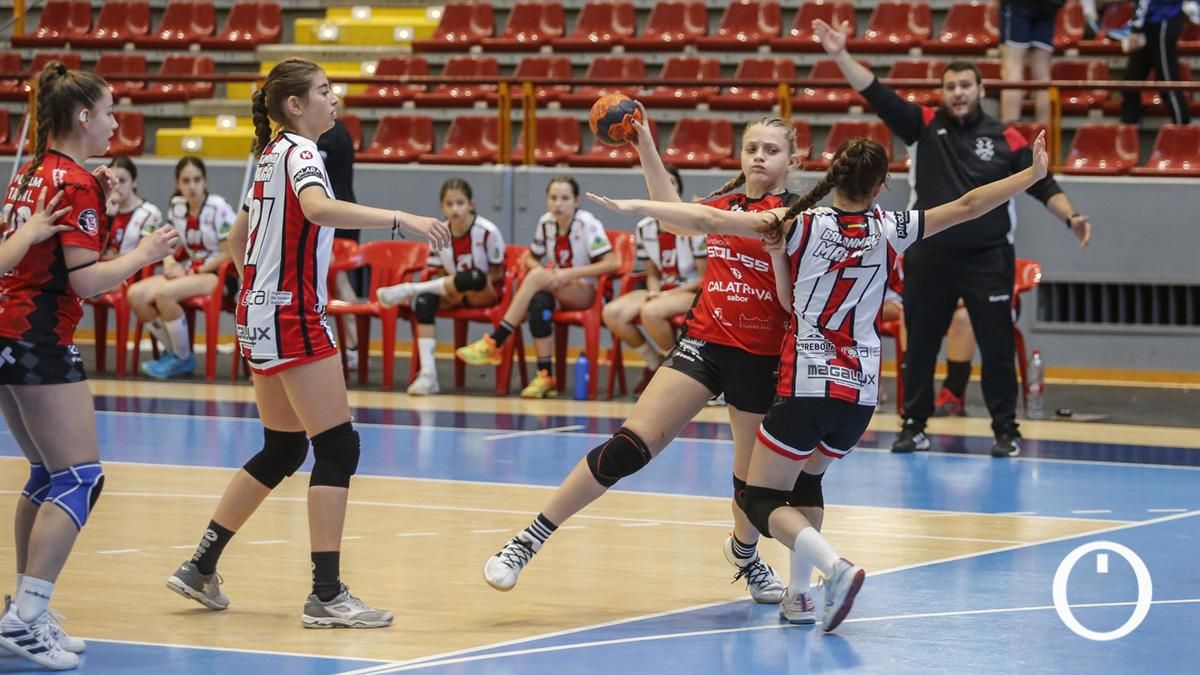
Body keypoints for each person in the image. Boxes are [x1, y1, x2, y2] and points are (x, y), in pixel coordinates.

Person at [588, 130, 1052, 630]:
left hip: (805, 386)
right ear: (881, 186)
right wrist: (1031, 175)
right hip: (859, 395)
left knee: (760, 499)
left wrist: (637, 204)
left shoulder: (799, 223)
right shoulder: (893, 226)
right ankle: (799, 597)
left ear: (833, 177)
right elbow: (968, 205)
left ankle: (834, 568)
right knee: (808, 482)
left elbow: (709, 220)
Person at [164, 58, 449, 628]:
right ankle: (326, 594)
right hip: (292, 315)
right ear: (295, 105)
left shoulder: (269, 155)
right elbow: (317, 208)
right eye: (323, 90)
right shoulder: (301, 152)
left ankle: (200, 566)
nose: (333, 97)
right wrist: (403, 219)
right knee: (338, 448)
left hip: (259, 315)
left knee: (283, 450)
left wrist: (259, 290)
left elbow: (237, 238)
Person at [479, 114, 799, 605]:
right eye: (751, 147)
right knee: (628, 446)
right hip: (705, 343)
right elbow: (674, 219)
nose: (758, 156)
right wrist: (645, 142)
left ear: (792, 160)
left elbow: (706, 222)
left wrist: (636, 206)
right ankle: (527, 540)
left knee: (749, 485)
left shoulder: (796, 213)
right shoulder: (726, 203)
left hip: (761, 358)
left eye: (771, 150)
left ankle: (745, 555)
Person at [813, 19, 1092, 457]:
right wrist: (839, 54)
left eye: (965, 85)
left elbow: (1042, 183)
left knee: (997, 348)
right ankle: (914, 425)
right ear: (941, 92)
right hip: (930, 257)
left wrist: (1070, 216)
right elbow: (876, 93)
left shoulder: (1006, 137)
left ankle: (1006, 431)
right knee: (921, 344)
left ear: (981, 90)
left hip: (989, 259)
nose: (958, 92)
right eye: (950, 86)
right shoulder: (923, 125)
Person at [0, 61, 179, 670]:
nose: (114, 124)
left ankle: (24, 609)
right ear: (82, 116)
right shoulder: (74, 182)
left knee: (46, 474)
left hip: (8, 330)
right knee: (79, 477)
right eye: (108, 112)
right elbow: (84, 280)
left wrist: (96, 195)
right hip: (38, 335)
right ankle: (27, 616)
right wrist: (145, 252)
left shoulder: (33, 172)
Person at [456, 176, 618, 399]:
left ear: (576, 201)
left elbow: (612, 263)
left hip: (586, 291)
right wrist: (545, 273)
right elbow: (529, 258)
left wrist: (568, 273)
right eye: (553, 198)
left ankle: (496, 340)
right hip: (557, 287)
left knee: (537, 277)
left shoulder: (587, 223)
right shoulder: (546, 223)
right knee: (538, 304)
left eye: (565, 198)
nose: (558, 204)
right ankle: (545, 376)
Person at [376, 179, 506, 395]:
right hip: (452, 292)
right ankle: (428, 375)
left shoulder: (487, 231)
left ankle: (410, 289)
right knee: (424, 302)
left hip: (484, 292)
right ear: (441, 206)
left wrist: (462, 287)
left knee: (474, 276)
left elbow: (497, 273)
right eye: (449, 204)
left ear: (471, 204)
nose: (455, 209)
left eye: (460, 203)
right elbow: (438, 272)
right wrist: (454, 290)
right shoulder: (439, 232)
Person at [126, 156, 236, 379]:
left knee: (165, 294)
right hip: (189, 271)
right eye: (186, 181)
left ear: (205, 181)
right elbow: (166, 244)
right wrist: (170, 263)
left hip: (218, 275)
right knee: (136, 294)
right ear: (178, 183)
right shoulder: (177, 208)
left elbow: (228, 253)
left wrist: (195, 270)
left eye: (197, 180)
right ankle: (175, 352)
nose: (192, 186)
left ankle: (182, 359)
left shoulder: (219, 208)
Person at [602, 165, 707, 396]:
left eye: (671, 183)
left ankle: (677, 369)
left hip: (692, 290)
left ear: (678, 191)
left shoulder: (692, 223)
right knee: (612, 312)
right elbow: (652, 274)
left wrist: (665, 295)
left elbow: (704, 277)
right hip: (664, 289)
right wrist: (653, 290)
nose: (664, 188)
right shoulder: (644, 228)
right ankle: (654, 366)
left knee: (650, 312)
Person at [318, 115, 362, 369]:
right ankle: (352, 344)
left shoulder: (329, 137)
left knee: (339, 280)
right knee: (337, 281)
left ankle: (354, 345)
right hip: (338, 213)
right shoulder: (336, 131)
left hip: (336, 217)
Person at [1111, 0, 1192, 126]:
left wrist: (1136, 28)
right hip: (1149, 24)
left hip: (1163, 20)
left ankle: (1182, 127)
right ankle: (1129, 128)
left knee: (1168, 82)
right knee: (1131, 81)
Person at [999, 0, 1064, 123]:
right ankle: (1043, 131)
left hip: (1018, 5)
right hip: (1049, 4)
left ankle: (1011, 131)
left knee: (1012, 67)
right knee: (1043, 75)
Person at [101, 156, 162, 261]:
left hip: (133, 271)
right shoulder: (103, 209)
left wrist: (113, 258)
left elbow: (145, 254)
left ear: (134, 182)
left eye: (122, 181)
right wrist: (109, 218)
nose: (116, 187)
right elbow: (95, 252)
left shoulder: (149, 213)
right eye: (112, 181)